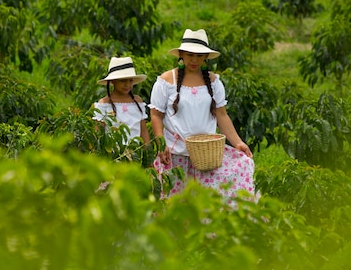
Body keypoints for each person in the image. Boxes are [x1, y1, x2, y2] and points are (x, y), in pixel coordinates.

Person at [149, 28, 257, 203]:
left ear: (205, 57)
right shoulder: (167, 81)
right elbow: (155, 115)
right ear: (181, 54)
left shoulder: (213, 81)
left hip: (207, 155)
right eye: (190, 54)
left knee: (208, 203)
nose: (194, 60)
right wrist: (161, 143)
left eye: (199, 56)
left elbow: (222, 115)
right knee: (175, 204)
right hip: (175, 154)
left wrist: (237, 142)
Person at [92, 56, 151, 146]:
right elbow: (98, 132)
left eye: (130, 80)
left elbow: (143, 130)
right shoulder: (104, 104)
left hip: (135, 152)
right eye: (123, 81)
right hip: (113, 154)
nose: (127, 84)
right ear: (113, 81)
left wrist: (148, 151)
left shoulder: (137, 101)